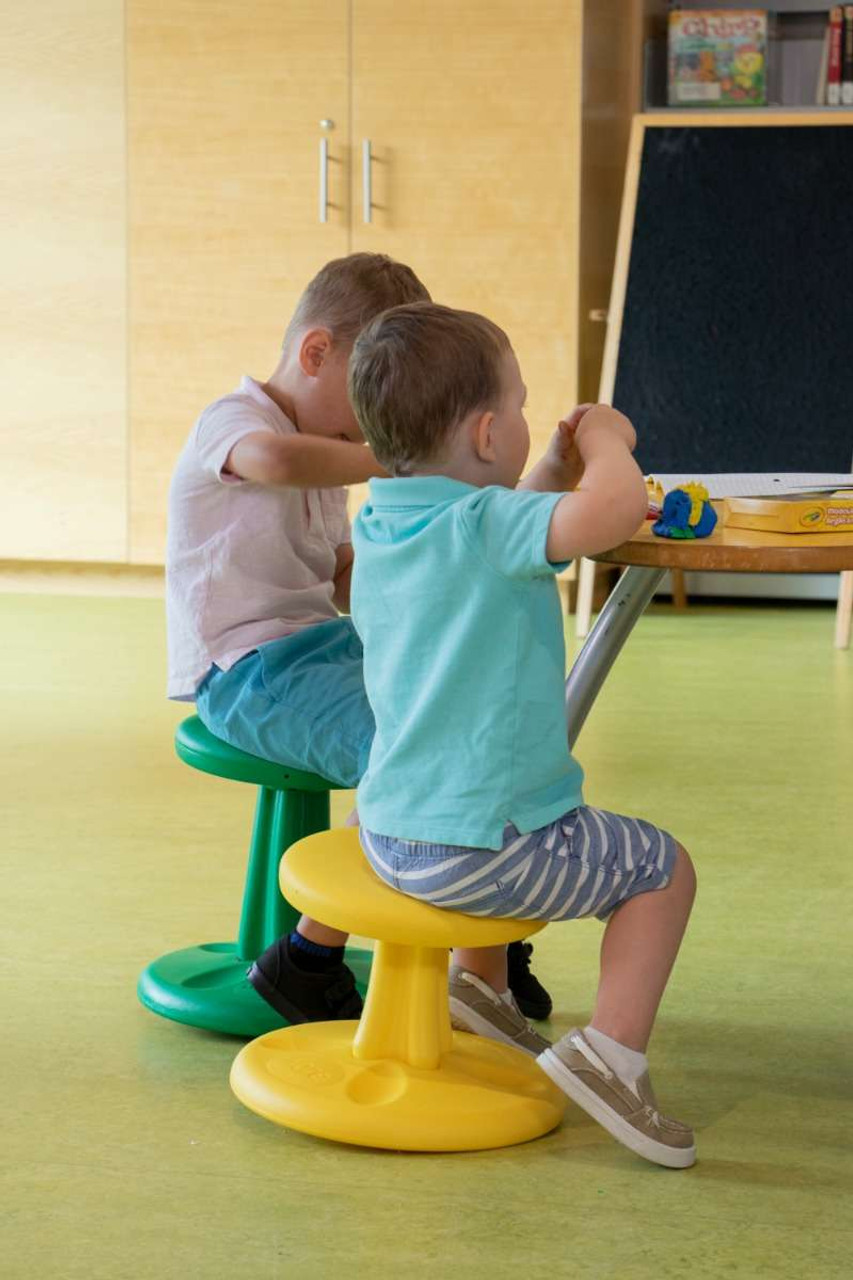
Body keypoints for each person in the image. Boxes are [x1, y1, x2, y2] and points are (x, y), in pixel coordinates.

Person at [347, 302, 698, 1169]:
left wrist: (547, 466)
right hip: (480, 848)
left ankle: (479, 986)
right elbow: (611, 511)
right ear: (486, 432)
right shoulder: (487, 527)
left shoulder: (386, 523)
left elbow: (501, 522)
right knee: (662, 871)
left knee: (495, 808)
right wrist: (608, 442)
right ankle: (610, 1055)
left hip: (390, 831)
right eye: (519, 406)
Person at [165, 255, 553, 1027]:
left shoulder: (326, 453)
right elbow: (274, 461)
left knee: (482, 722)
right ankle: (314, 958)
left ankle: (478, 938)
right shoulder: (238, 421)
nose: (384, 413)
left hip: (323, 647)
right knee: (417, 755)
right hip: (245, 671)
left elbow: (347, 577)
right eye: (374, 388)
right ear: (315, 353)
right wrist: (404, 455)